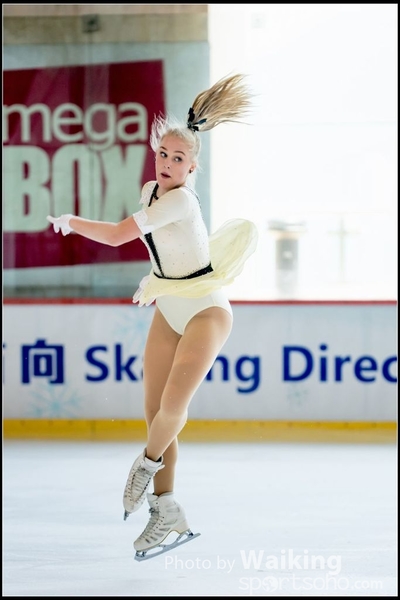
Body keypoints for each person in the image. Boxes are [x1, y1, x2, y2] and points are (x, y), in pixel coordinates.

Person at [47, 73, 258, 557]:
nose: (167, 163)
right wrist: (154, 279)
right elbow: (164, 247)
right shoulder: (150, 192)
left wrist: (72, 222)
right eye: (163, 154)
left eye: (178, 158)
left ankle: (144, 467)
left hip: (205, 311)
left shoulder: (180, 199)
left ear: (193, 167)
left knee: (172, 410)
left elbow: (118, 235)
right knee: (153, 411)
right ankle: (166, 509)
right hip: (170, 306)